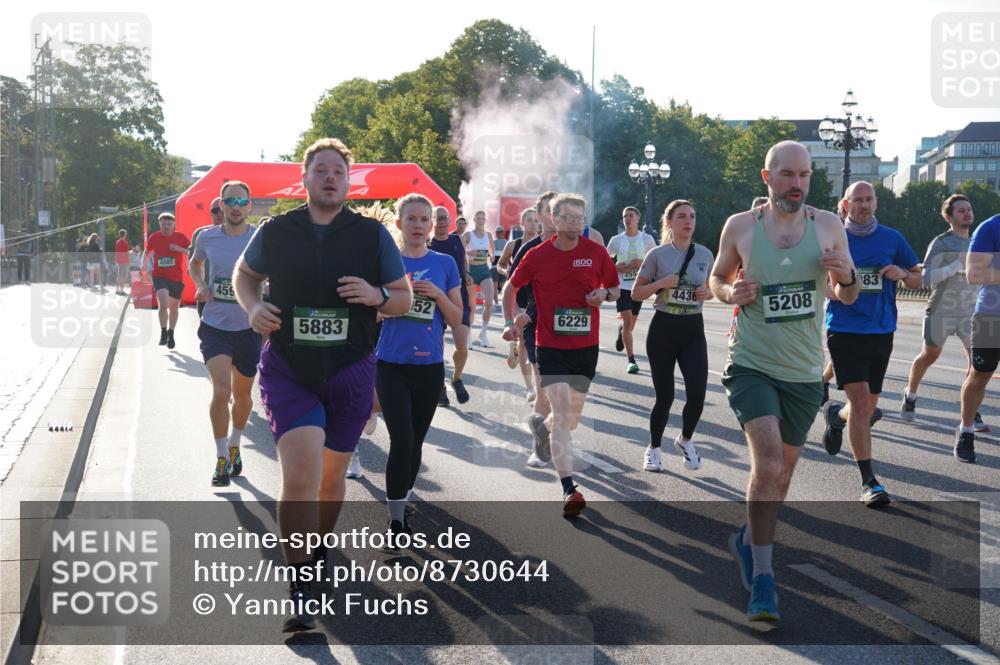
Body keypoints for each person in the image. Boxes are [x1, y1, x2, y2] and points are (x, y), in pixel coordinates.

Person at [234, 138, 411, 632]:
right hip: (290, 368)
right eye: (321, 170)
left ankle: (317, 551)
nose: (330, 177)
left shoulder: (371, 236)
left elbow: (402, 299)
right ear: (305, 179)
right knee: (300, 475)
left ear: (348, 182)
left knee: (332, 480)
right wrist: (253, 306)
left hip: (351, 370)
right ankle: (300, 586)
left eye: (338, 171)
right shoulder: (277, 230)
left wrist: (376, 294)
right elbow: (245, 275)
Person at [711, 141, 859, 622]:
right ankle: (763, 576)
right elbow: (716, 279)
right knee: (769, 462)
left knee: (783, 474)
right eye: (788, 175)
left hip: (803, 371)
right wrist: (731, 291)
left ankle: (747, 538)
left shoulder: (829, 225)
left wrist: (847, 276)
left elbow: (848, 295)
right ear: (767, 177)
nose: (797, 184)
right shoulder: (741, 226)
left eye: (804, 175)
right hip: (751, 364)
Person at [503, 193, 619, 517]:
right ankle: (569, 488)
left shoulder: (595, 252)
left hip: (585, 347)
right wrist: (510, 321)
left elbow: (614, 288)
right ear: (553, 219)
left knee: (569, 419)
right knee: (563, 412)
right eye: (567, 217)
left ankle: (543, 428)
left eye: (579, 218)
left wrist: (603, 294)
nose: (574, 223)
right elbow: (511, 287)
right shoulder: (537, 255)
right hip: (550, 345)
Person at [820, 181, 920, 506]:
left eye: (868, 199)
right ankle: (869, 482)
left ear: (875, 202)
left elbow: (918, 277)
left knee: (865, 407)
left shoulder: (892, 238)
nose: (863, 205)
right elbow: (816, 280)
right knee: (863, 405)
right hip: (844, 329)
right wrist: (836, 290)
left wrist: (901, 273)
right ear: (845, 205)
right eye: (857, 200)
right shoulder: (833, 239)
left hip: (881, 330)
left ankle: (837, 417)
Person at [376, 193, 463, 544]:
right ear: (399, 223)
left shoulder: (445, 263)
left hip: (429, 367)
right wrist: (394, 303)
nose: (418, 225)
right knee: (401, 439)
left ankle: (403, 497)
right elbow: (370, 314)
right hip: (390, 364)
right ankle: (396, 522)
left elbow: (456, 318)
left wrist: (438, 295)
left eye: (424, 219)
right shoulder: (387, 262)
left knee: (415, 442)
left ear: (431, 225)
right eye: (411, 219)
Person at [631, 200, 713, 472]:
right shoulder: (657, 255)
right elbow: (636, 293)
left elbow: (713, 287)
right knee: (665, 397)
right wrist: (661, 283)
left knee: (697, 394)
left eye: (692, 216)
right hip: (663, 330)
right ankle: (654, 448)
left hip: (693, 330)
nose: (688, 221)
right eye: (682, 216)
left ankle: (685, 440)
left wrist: (707, 293)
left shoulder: (704, 254)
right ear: (669, 222)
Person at [190, 181, 261, 487]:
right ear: (221, 204)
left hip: (248, 328)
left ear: (249, 206)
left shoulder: (259, 237)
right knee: (221, 391)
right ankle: (221, 459)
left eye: (241, 201)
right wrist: (200, 284)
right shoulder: (207, 236)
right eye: (230, 200)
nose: (235, 206)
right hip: (215, 325)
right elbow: (195, 263)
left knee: (243, 397)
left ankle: (234, 444)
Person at [902, 195, 987, 431]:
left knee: (976, 362)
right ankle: (910, 394)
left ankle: (972, 410)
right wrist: (955, 266)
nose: (967, 213)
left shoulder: (978, 241)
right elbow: (925, 278)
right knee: (929, 356)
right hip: (941, 310)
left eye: (969, 209)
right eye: (961, 211)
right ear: (948, 217)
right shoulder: (941, 243)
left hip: (969, 312)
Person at [504, 192, 559, 465]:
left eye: (558, 210)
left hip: (571, 329)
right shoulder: (529, 249)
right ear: (539, 216)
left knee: (568, 394)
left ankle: (548, 429)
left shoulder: (578, 248)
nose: (554, 216)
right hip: (536, 326)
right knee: (545, 389)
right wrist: (515, 317)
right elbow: (511, 288)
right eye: (548, 210)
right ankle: (540, 445)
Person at [955, 211, 1000, 463]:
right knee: (979, 376)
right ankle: (966, 430)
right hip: (992, 316)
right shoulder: (990, 227)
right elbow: (974, 274)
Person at [429, 205, 473, 405]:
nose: (442, 222)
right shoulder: (428, 245)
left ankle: (457, 378)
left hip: (459, 296)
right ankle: (439, 386)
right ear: (432, 221)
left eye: (445, 218)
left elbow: (463, 260)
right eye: (438, 218)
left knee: (461, 345)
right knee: (437, 346)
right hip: (435, 299)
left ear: (450, 220)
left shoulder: (458, 240)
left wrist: (466, 273)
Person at [606, 206, 657, 374]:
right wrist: (615, 266)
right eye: (625, 216)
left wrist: (641, 263)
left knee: (630, 325)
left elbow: (656, 260)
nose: (627, 218)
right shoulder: (616, 240)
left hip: (638, 286)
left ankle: (622, 331)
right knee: (628, 322)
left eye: (631, 215)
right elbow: (604, 260)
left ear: (637, 219)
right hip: (622, 287)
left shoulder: (647, 239)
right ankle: (631, 360)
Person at [499, 208, 541, 397]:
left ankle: (536, 384)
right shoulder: (513, 245)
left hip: (534, 300)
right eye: (529, 220)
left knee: (533, 341)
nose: (533, 223)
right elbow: (500, 264)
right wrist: (506, 272)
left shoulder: (543, 245)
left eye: (535, 220)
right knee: (524, 340)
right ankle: (530, 387)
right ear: (522, 223)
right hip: (517, 298)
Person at [143, 212, 190, 349]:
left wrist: (179, 249)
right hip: (159, 276)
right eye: (164, 224)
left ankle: (171, 332)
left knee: (174, 308)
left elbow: (192, 251)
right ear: (160, 224)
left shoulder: (180, 237)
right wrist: (143, 264)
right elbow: (147, 252)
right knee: (163, 305)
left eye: (169, 224)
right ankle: (163, 332)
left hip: (176, 277)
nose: (167, 226)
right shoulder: (154, 237)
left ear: (174, 224)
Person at [465, 210, 495, 347]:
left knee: (489, 302)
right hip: (471, 271)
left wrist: (492, 256)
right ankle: (468, 334)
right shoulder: (468, 235)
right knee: (472, 306)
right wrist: (470, 253)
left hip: (484, 270)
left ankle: (484, 332)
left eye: (483, 218)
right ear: (474, 220)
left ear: (485, 220)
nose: (481, 220)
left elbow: (492, 249)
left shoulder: (489, 235)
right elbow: (461, 251)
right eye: (478, 218)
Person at [191, 197, 226, 318]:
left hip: (236, 296)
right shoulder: (202, 234)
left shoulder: (244, 234)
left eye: (222, 210)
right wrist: (201, 285)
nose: (219, 214)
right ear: (211, 213)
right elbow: (193, 264)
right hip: (208, 294)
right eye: (215, 211)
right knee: (207, 329)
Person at [491, 226, 507, 306]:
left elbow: (490, 257)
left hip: (495, 267)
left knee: (496, 286)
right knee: (502, 286)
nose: (499, 233)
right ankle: (502, 304)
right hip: (502, 267)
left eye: (500, 232)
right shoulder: (507, 243)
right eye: (499, 232)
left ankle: (497, 303)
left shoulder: (492, 243)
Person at [115, 229, 131, 295]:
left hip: (118, 260)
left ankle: (117, 289)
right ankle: (121, 290)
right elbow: (126, 253)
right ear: (125, 235)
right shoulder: (125, 243)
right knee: (123, 276)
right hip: (124, 261)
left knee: (119, 275)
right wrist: (128, 262)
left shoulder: (117, 242)